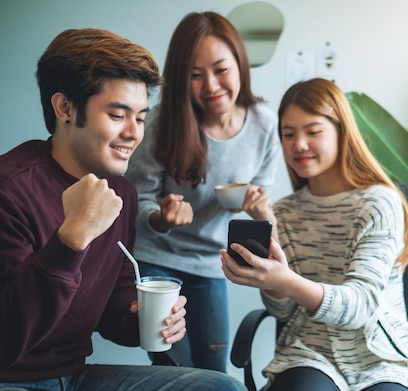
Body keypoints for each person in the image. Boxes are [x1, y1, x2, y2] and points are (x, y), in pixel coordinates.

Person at [0, 28, 246, 391]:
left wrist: (139, 319)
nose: (134, 133)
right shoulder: (11, 190)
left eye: (141, 117)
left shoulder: (122, 193)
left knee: (221, 387)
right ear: (65, 108)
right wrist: (72, 238)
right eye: (118, 115)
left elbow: (113, 301)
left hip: (78, 376)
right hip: (12, 378)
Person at [221, 78, 408, 391]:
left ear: (342, 132)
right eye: (288, 134)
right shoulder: (283, 212)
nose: (299, 144)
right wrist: (270, 240)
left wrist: (285, 280)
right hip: (310, 353)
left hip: (381, 356)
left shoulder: (378, 204)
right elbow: (283, 310)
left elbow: (361, 306)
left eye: (313, 131)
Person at [124, 11, 281, 371]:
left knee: (213, 372)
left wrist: (259, 212)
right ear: (181, 79)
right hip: (157, 260)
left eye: (221, 69)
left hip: (212, 265)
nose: (211, 85)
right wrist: (161, 218)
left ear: (240, 63)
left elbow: (259, 193)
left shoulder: (264, 125)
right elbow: (136, 197)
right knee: (174, 371)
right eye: (195, 75)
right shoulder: (162, 122)